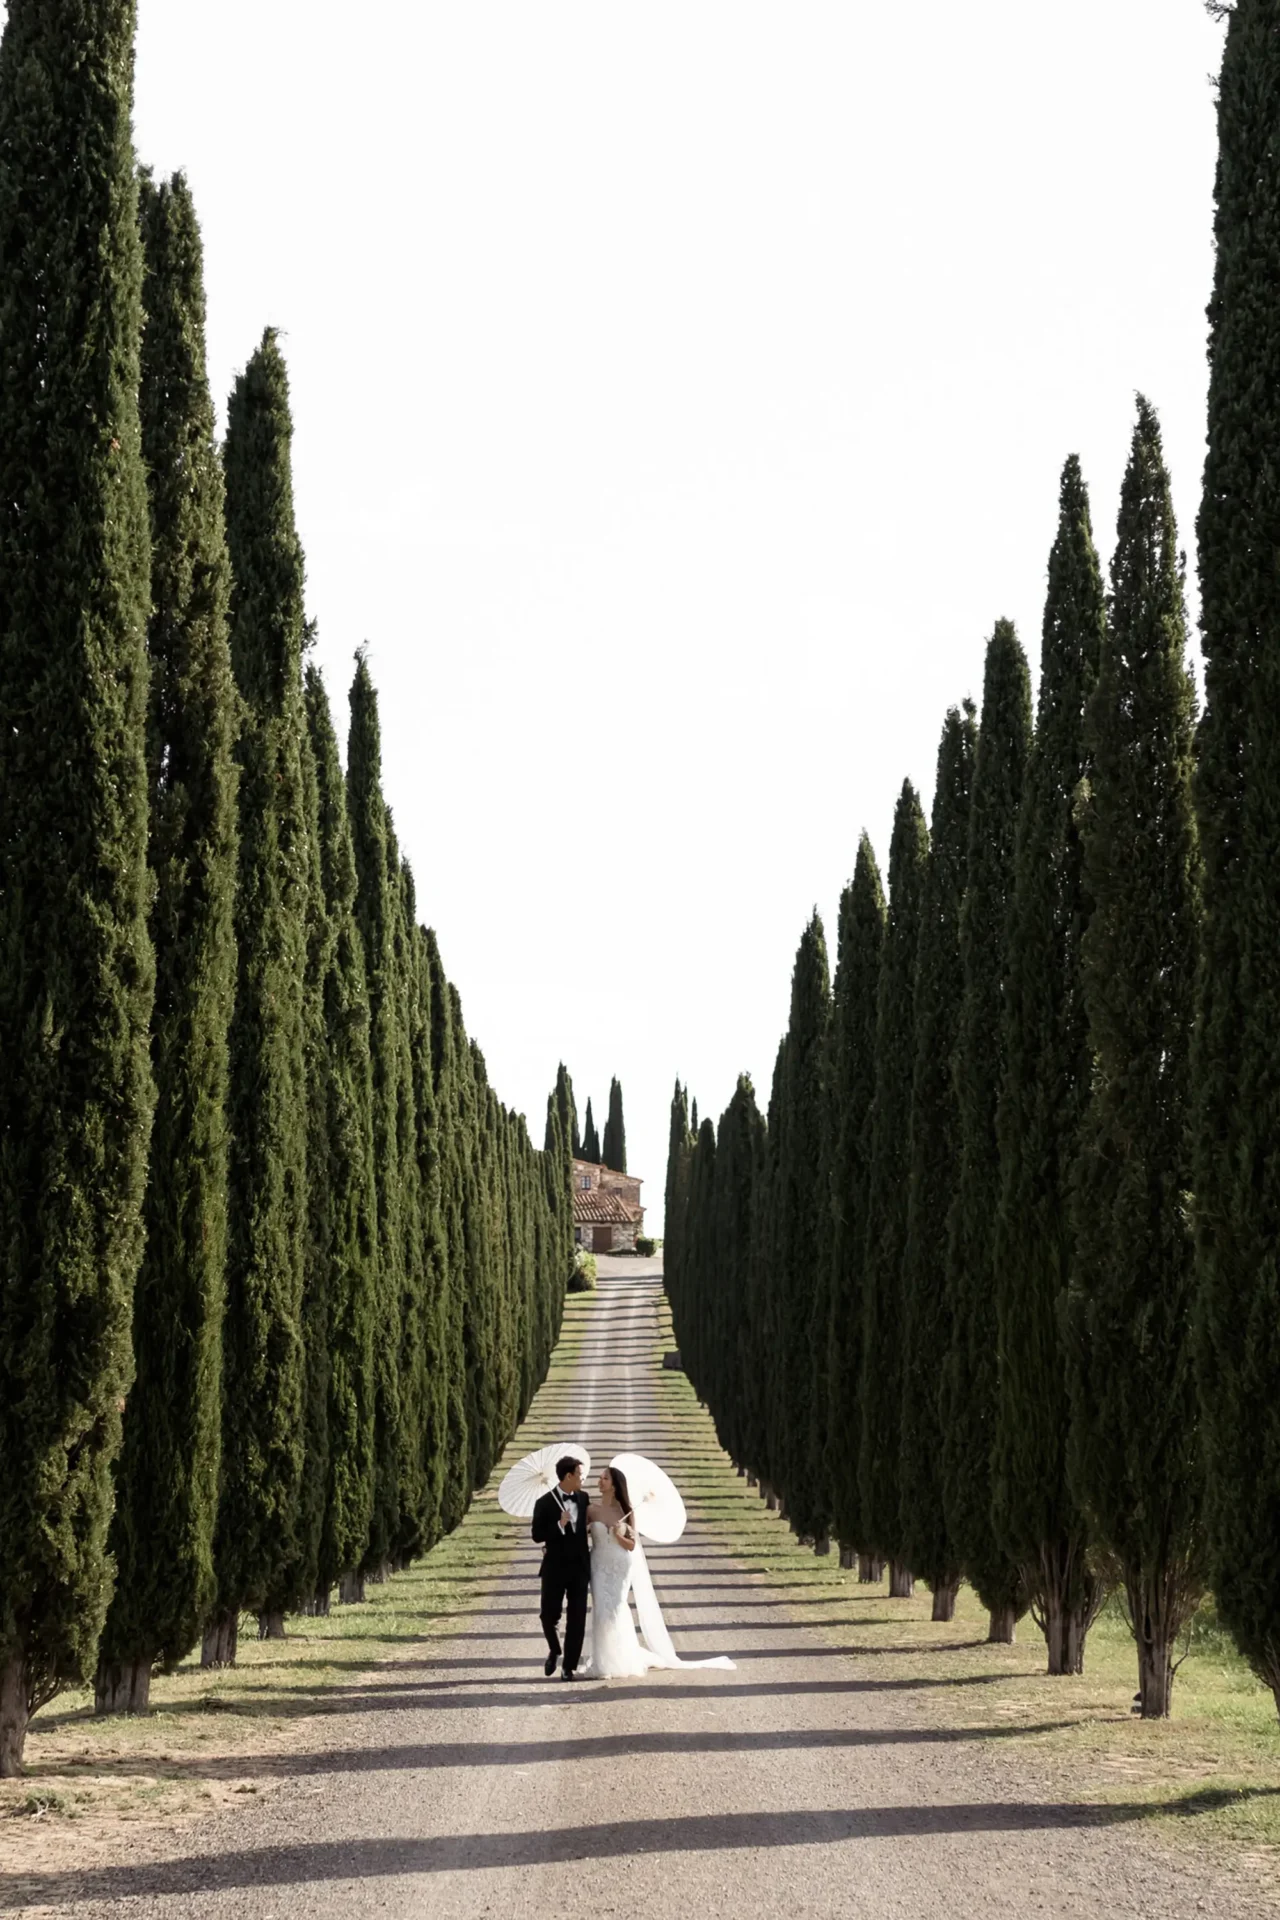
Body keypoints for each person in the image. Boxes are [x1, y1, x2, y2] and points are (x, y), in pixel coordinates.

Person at [583, 1463, 735, 1677]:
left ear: (615, 1486)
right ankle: (601, 1663)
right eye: (600, 1478)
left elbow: (631, 1546)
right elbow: (581, 1537)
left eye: (604, 1479)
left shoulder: (626, 1512)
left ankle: (618, 1658)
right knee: (600, 1609)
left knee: (616, 1608)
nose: (600, 1482)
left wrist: (618, 1535)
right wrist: (587, 1529)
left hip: (619, 1565)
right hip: (598, 1564)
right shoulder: (591, 1509)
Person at [531, 1456, 590, 1679]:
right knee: (548, 1615)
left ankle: (569, 1666)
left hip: (579, 1568)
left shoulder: (583, 1498)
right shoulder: (544, 1503)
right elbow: (537, 1535)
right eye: (579, 1475)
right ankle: (555, 1650)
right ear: (568, 1476)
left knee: (577, 1618)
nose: (582, 1479)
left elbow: (583, 1529)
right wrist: (559, 1524)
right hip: (555, 1567)